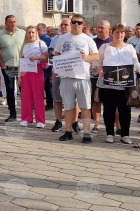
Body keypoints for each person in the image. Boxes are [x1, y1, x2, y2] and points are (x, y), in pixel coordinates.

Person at [54, 14, 99, 143]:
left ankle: (86, 133)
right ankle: (68, 131)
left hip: (82, 78)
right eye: (74, 22)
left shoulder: (88, 39)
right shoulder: (62, 38)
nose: (76, 24)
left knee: (85, 107)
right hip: (66, 77)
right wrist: (57, 68)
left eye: (79, 22)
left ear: (83, 25)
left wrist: (85, 57)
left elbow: (96, 56)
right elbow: (57, 54)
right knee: (68, 107)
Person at [97, 24, 140, 144]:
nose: (119, 35)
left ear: (124, 34)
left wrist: (136, 68)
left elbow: (136, 62)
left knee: (125, 111)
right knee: (108, 110)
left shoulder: (130, 47)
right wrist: (100, 70)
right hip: (108, 85)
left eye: (122, 32)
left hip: (125, 85)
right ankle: (109, 133)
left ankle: (125, 134)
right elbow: (98, 63)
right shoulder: (105, 47)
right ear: (112, 33)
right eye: (117, 32)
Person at [0, 15, 26, 122]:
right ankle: (12, 114)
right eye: (10, 22)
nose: (13, 24)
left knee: (24, 90)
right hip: (8, 67)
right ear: (5, 23)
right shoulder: (0, 35)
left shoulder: (23, 33)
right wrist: (2, 65)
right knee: (10, 90)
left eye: (14, 22)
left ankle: (26, 115)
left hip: (22, 66)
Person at [19, 25, 49, 127]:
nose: (31, 34)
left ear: (36, 34)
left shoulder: (41, 43)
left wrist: (37, 57)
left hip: (37, 71)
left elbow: (47, 58)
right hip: (25, 72)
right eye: (29, 32)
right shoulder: (24, 45)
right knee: (26, 96)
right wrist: (19, 76)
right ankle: (26, 118)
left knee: (38, 96)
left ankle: (40, 120)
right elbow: (21, 61)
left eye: (33, 32)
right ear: (26, 34)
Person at [49, 16, 71, 132]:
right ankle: (58, 121)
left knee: (71, 99)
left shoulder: (75, 38)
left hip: (71, 73)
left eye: (66, 25)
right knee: (57, 98)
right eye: (61, 25)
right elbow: (51, 54)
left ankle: (73, 122)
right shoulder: (56, 38)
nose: (63, 26)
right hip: (57, 71)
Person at [37, 23, 54, 109]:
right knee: (47, 85)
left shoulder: (45, 39)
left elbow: (47, 52)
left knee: (42, 84)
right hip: (44, 65)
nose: (37, 31)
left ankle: (42, 103)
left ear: (44, 30)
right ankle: (49, 103)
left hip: (46, 65)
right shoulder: (40, 38)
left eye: (38, 29)